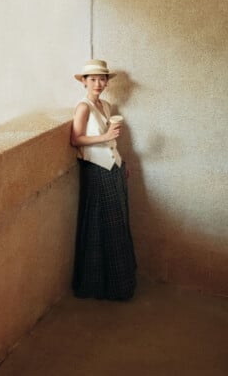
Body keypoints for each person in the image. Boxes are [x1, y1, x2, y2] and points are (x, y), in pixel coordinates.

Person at [70, 59, 137, 300]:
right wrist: (107, 136)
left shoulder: (106, 106)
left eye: (102, 78)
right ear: (84, 82)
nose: (99, 83)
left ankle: (119, 285)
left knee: (116, 224)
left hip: (113, 168)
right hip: (96, 170)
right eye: (93, 79)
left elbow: (110, 140)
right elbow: (76, 139)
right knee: (101, 226)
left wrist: (121, 162)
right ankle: (96, 286)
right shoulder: (83, 107)